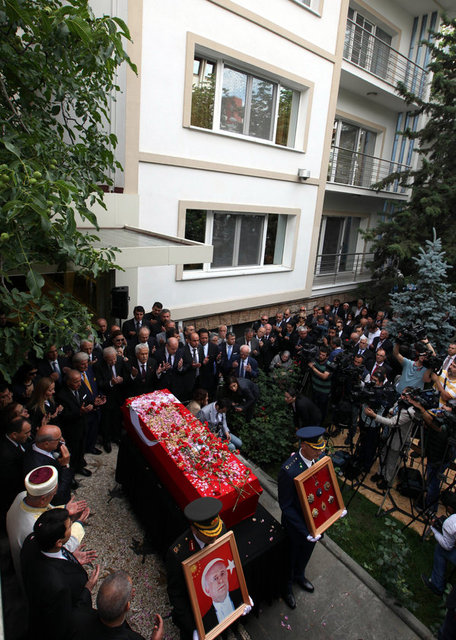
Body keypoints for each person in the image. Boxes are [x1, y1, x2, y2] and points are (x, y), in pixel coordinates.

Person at [21, 508, 99, 640]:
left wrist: (70, 557)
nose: (72, 526)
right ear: (58, 542)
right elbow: (67, 618)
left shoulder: (31, 540)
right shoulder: (58, 586)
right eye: (69, 527)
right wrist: (87, 590)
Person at [278, 426, 334, 609]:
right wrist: (304, 530)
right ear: (303, 446)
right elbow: (286, 506)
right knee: (290, 557)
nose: (319, 452)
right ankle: (286, 587)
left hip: (315, 522)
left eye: (321, 448)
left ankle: (299, 575)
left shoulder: (319, 460)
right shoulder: (289, 470)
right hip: (296, 527)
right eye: (315, 448)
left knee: (306, 553)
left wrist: (333, 509)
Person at [7, 465, 88, 577]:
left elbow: (42, 509)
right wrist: (78, 525)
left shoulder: (22, 496)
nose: (54, 495)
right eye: (53, 494)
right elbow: (56, 549)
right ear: (43, 499)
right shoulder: (37, 528)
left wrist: (64, 509)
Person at [166, 497, 226, 640]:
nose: (214, 539)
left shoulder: (220, 531)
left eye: (216, 533)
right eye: (209, 536)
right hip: (192, 611)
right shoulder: (178, 554)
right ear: (194, 528)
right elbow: (176, 594)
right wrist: (192, 629)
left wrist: (240, 598)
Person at [72, 570, 164, 640]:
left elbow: (81, 605)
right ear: (127, 607)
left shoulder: (77, 616)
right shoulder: (132, 638)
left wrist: (88, 589)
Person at [364, 387, 415, 491]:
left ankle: (387, 480)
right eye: (402, 394)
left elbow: (393, 422)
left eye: (405, 395)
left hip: (398, 438)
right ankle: (380, 473)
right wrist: (392, 412)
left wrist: (374, 416)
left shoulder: (411, 411)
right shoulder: (400, 401)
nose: (402, 397)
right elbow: (392, 410)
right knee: (383, 453)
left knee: (392, 460)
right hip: (388, 433)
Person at [23, 423, 74, 505]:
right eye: (58, 439)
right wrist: (65, 466)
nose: (61, 440)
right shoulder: (39, 468)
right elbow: (56, 494)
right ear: (46, 444)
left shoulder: (36, 445)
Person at [422, 492, 456, 597]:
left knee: (440, 549)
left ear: (449, 508)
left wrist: (434, 528)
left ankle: (436, 585)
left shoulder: (450, 523)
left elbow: (447, 546)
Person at [201, 558, 243, 633]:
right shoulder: (205, 620)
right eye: (215, 578)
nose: (220, 580)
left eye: (222, 574)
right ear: (207, 590)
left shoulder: (241, 594)